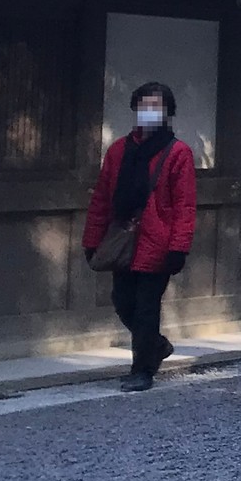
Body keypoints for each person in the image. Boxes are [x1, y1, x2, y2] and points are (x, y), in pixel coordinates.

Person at [81, 80, 197, 392]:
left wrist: (178, 247)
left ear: (167, 112)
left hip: (158, 240)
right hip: (124, 236)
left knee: (147, 306)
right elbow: (102, 198)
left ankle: (142, 369)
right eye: (144, 105)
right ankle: (155, 345)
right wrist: (92, 239)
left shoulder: (178, 153)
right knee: (122, 301)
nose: (149, 112)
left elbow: (184, 205)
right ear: (135, 109)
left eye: (156, 106)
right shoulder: (119, 151)